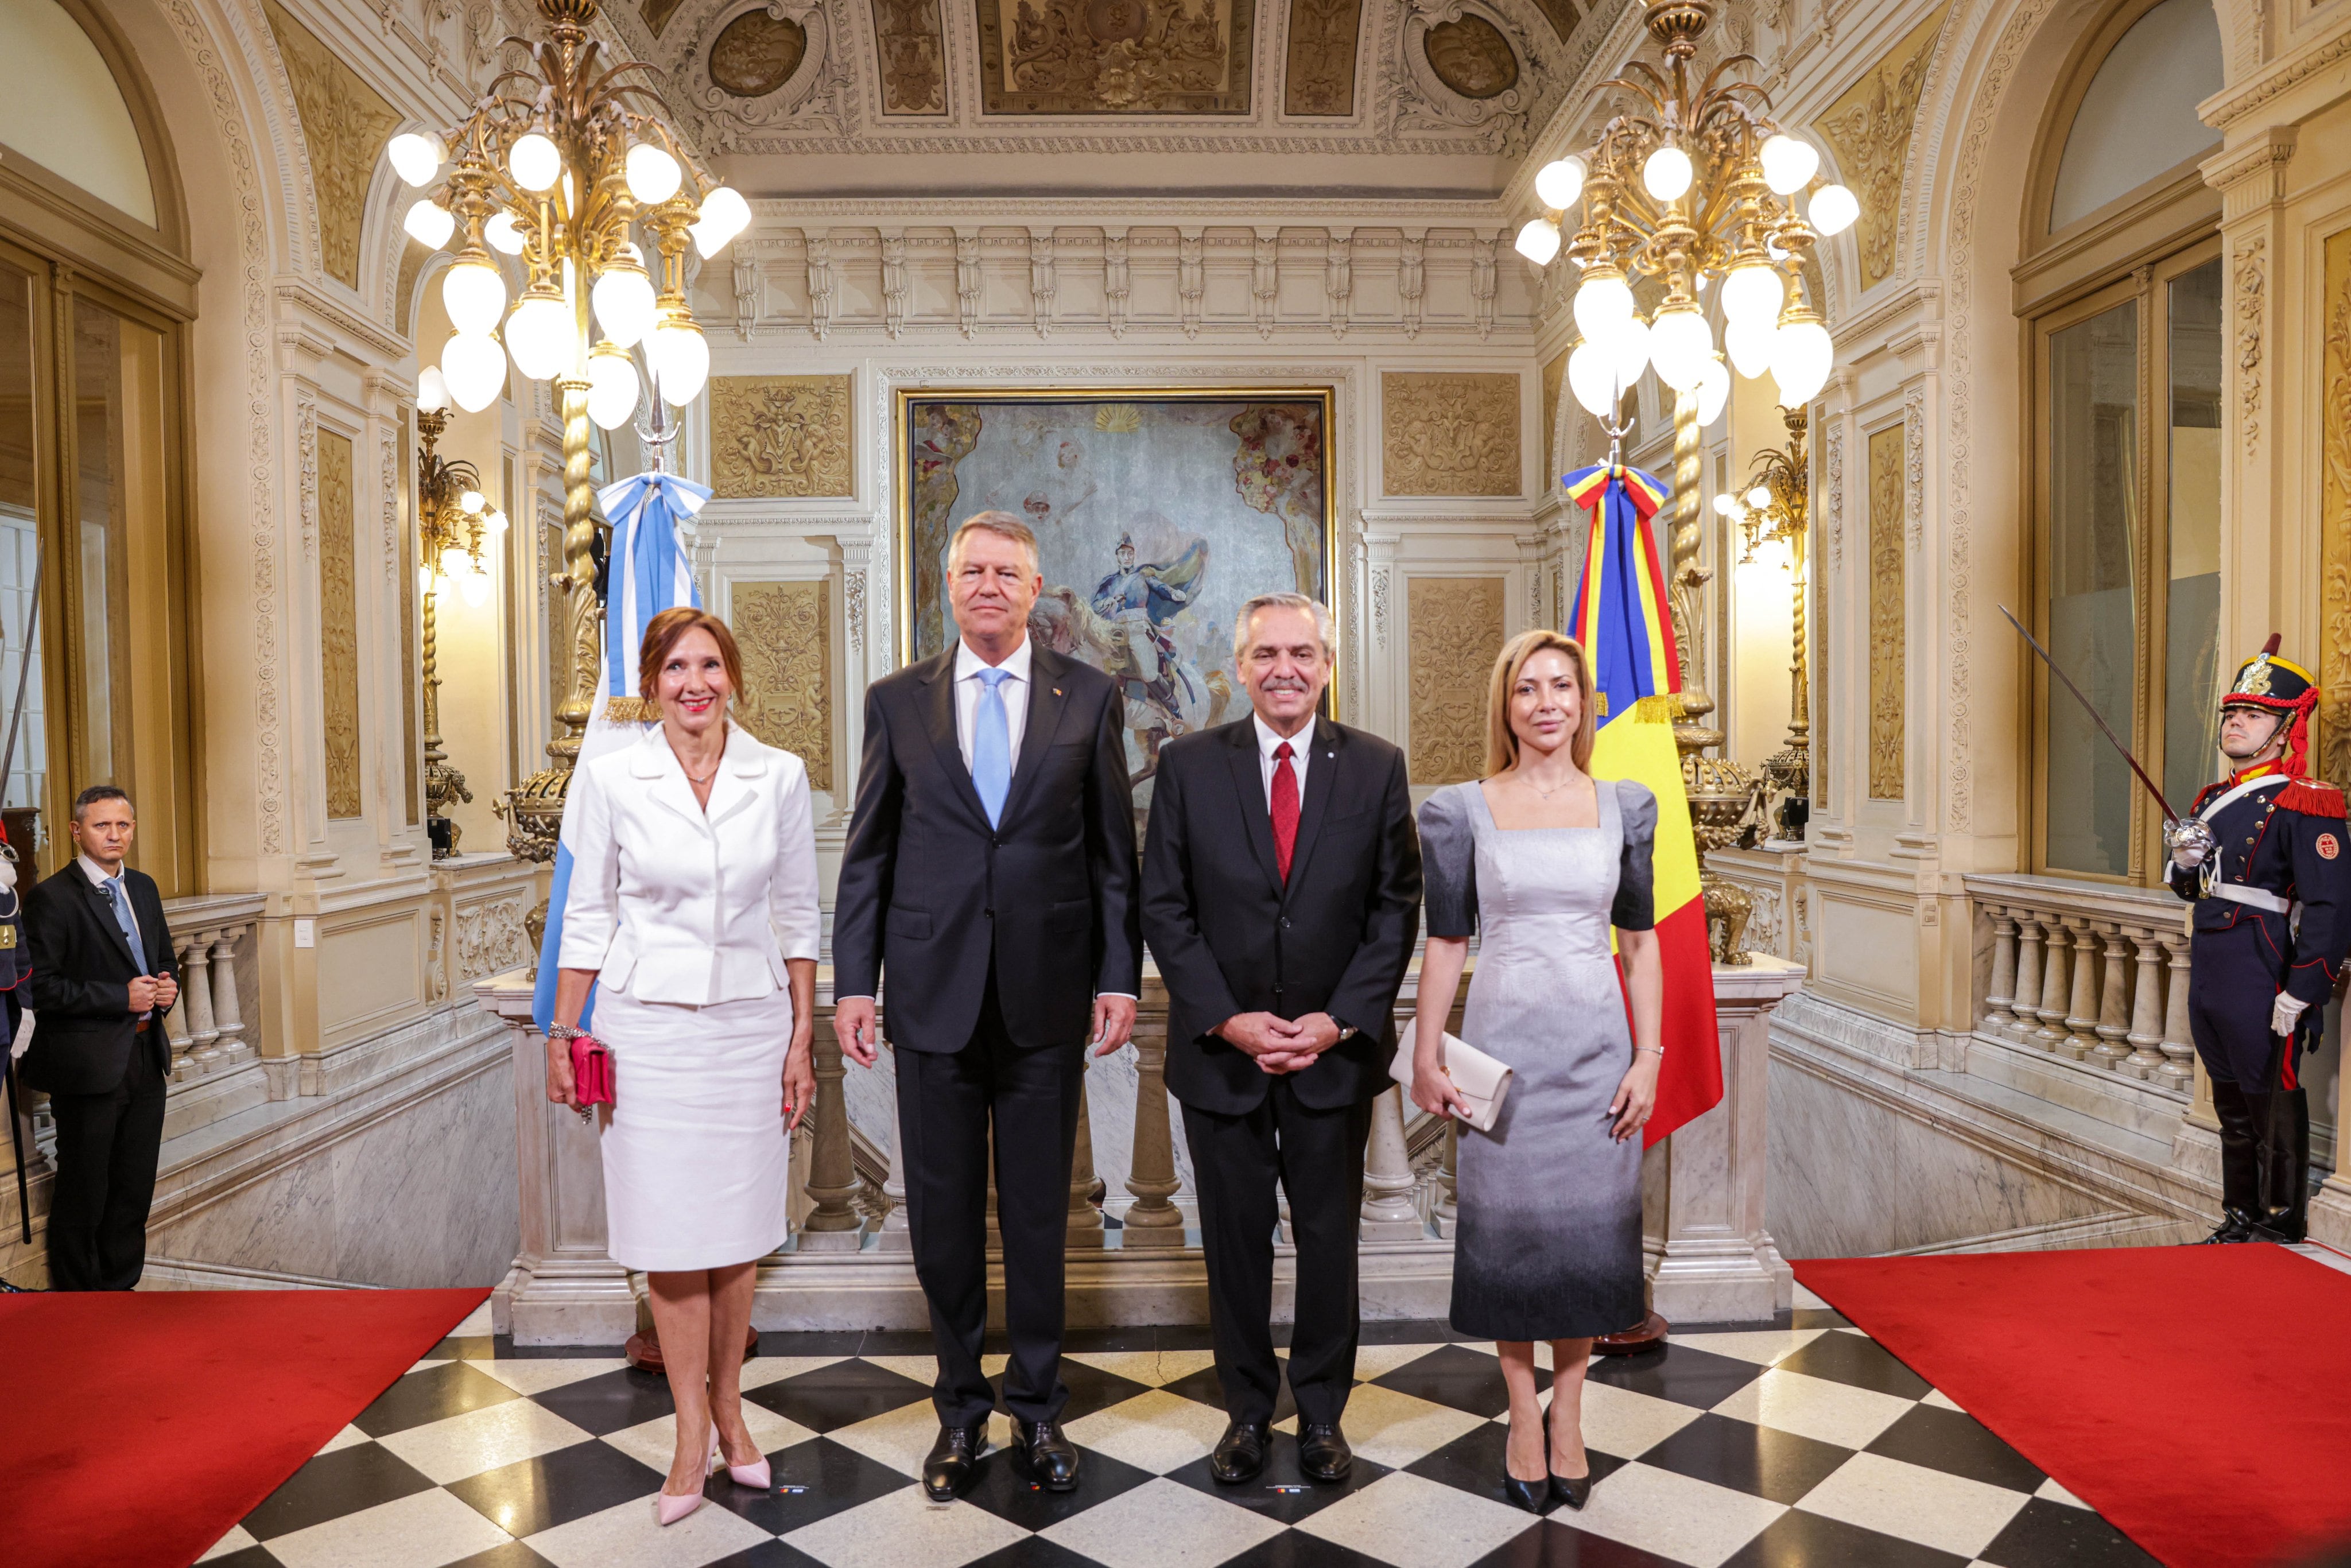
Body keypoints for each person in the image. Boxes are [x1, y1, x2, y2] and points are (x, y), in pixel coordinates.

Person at [833, 511, 1141, 1502]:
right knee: (943, 1221)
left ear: (1036, 586)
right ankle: (959, 1414)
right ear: (948, 584)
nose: (990, 585)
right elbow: (868, 855)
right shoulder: (898, 702)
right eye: (973, 570)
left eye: (1008, 571)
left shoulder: (1088, 697)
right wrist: (853, 982)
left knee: (1045, 1218)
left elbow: (1112, 861)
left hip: (1048, 1001)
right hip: (929, 998)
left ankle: (1039, 1412)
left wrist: (1117, 975)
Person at [545, 607, 821, 1526]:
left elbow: (798, 918)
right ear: (652, 681)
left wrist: (799, 1038)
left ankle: (735, 1416)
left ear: (732, 676)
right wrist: (562, 1032)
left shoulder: (778, 774)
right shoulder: (613, 778)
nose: (694, 683)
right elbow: (587, 915)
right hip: (644, 1033)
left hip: (748, 1026)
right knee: (669, 1236)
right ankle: (689, 1434)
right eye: (676, 667)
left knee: (738, 1232)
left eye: (710, 665)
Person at [1139, 592, 1422, 1486]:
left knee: (1331, 1240)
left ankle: (1325, 1415)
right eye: (1266, 655)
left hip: (1331, 1055)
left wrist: (1339, 1021)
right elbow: (1165, 906)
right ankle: (1248, 1413)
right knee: (1234, 1242)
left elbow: (1395, 908)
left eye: (1302, 653)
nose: (1285, 669)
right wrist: (1227, 1016)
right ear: (1238, 668)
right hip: (1223, 1055)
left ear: (1328, 666)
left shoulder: (1375, 767)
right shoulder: (1187, 765)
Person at [1409, 630, 1663, 1514]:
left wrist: (1649, 1059)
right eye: (1528, 688)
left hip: (1597, 1059)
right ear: (1506, 705)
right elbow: (1447, 943)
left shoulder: (1624, 808)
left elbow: (1640, 945)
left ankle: (1571, 1417)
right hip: (1502, 1061)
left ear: (1585, 702)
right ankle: (1523, 1415)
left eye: (1562, 686)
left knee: (1588, 1247)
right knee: (1510, 1248)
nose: (1546, 701)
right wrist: (1423, 1051)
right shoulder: (1460, 809)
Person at [2163, 638, 2351, 1244]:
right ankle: (2239, 1214)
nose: (2235, 721)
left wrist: (2304, 988)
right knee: (2230, 1103)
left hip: (2261, 962)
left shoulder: (2306, 800)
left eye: (2253, 713)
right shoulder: (2212, 800)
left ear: (2284, 729)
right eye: (2230, 712)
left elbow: (2330, 902)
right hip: (2213, 962)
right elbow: (2194, 892)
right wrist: (2187, 861)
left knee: (2271, 1095)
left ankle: (2278, 1220)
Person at [20, 786, 180, 1291]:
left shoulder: (146, 888)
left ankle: (121, 1290)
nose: (115, 835)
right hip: (88, 1065)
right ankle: (78, 1300)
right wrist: (120, 997)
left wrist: (168, 989)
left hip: (145, 1056)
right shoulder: (51, 897)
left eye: (124, 826)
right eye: (102, 826)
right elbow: (40, 986)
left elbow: (164, 961)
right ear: (77, 831)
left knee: (134, 1187)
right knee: (86, 1189)